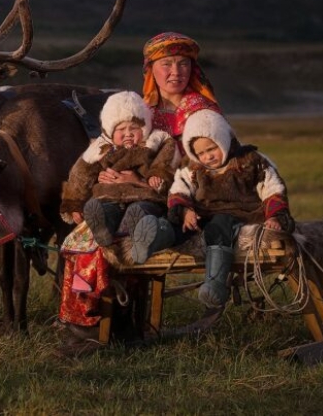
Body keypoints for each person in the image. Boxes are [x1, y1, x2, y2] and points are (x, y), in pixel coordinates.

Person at [57, 31, 223, 346]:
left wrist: (138, 184)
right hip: (128, 198)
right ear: (151, 70)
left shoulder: (201, 112)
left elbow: (204, 169)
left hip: (181, 199)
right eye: (167, 64)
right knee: (80, 242)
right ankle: (94, 319)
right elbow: (106, 155)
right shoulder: (142, 110)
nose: (176, 72)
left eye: (184, 64)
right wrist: (102, 182)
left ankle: (109, 326)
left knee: (124, 233)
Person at [167, 109, 295, 308]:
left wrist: (275, 216)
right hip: (206, 215)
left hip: (244, 215)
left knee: (220, 224)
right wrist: (185, 211)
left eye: (211, 149)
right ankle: (152, 236)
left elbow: (273, 189)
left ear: (223, 140)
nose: (207, 157)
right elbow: (179, 190)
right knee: (183, 226)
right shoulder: (192, 168)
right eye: (200, 153)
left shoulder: (251, 160)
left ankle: (216, 283)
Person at [59, 90, 177, 264]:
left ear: (144, 127)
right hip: (109, 198)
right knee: (97, 206)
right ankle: (103, 230)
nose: (128, 133)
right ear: (109, 130)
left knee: (138, 209)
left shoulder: (155, 141)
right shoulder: (102, 148)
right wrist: (74, 204)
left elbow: (165, 162)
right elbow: (80, 174)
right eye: (121, 129)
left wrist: (155, 176)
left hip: (144, 197)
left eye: (134, 128)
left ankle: (134, 237)